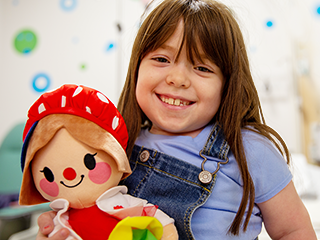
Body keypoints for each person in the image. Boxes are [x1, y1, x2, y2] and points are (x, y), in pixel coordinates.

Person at [35, 0, 317, 239]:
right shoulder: (115, 147)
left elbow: (293, 231)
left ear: (227, 84)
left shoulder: (249, 149)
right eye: (161, 59)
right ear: (137, 67)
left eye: (202, 67)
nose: (177, 78)